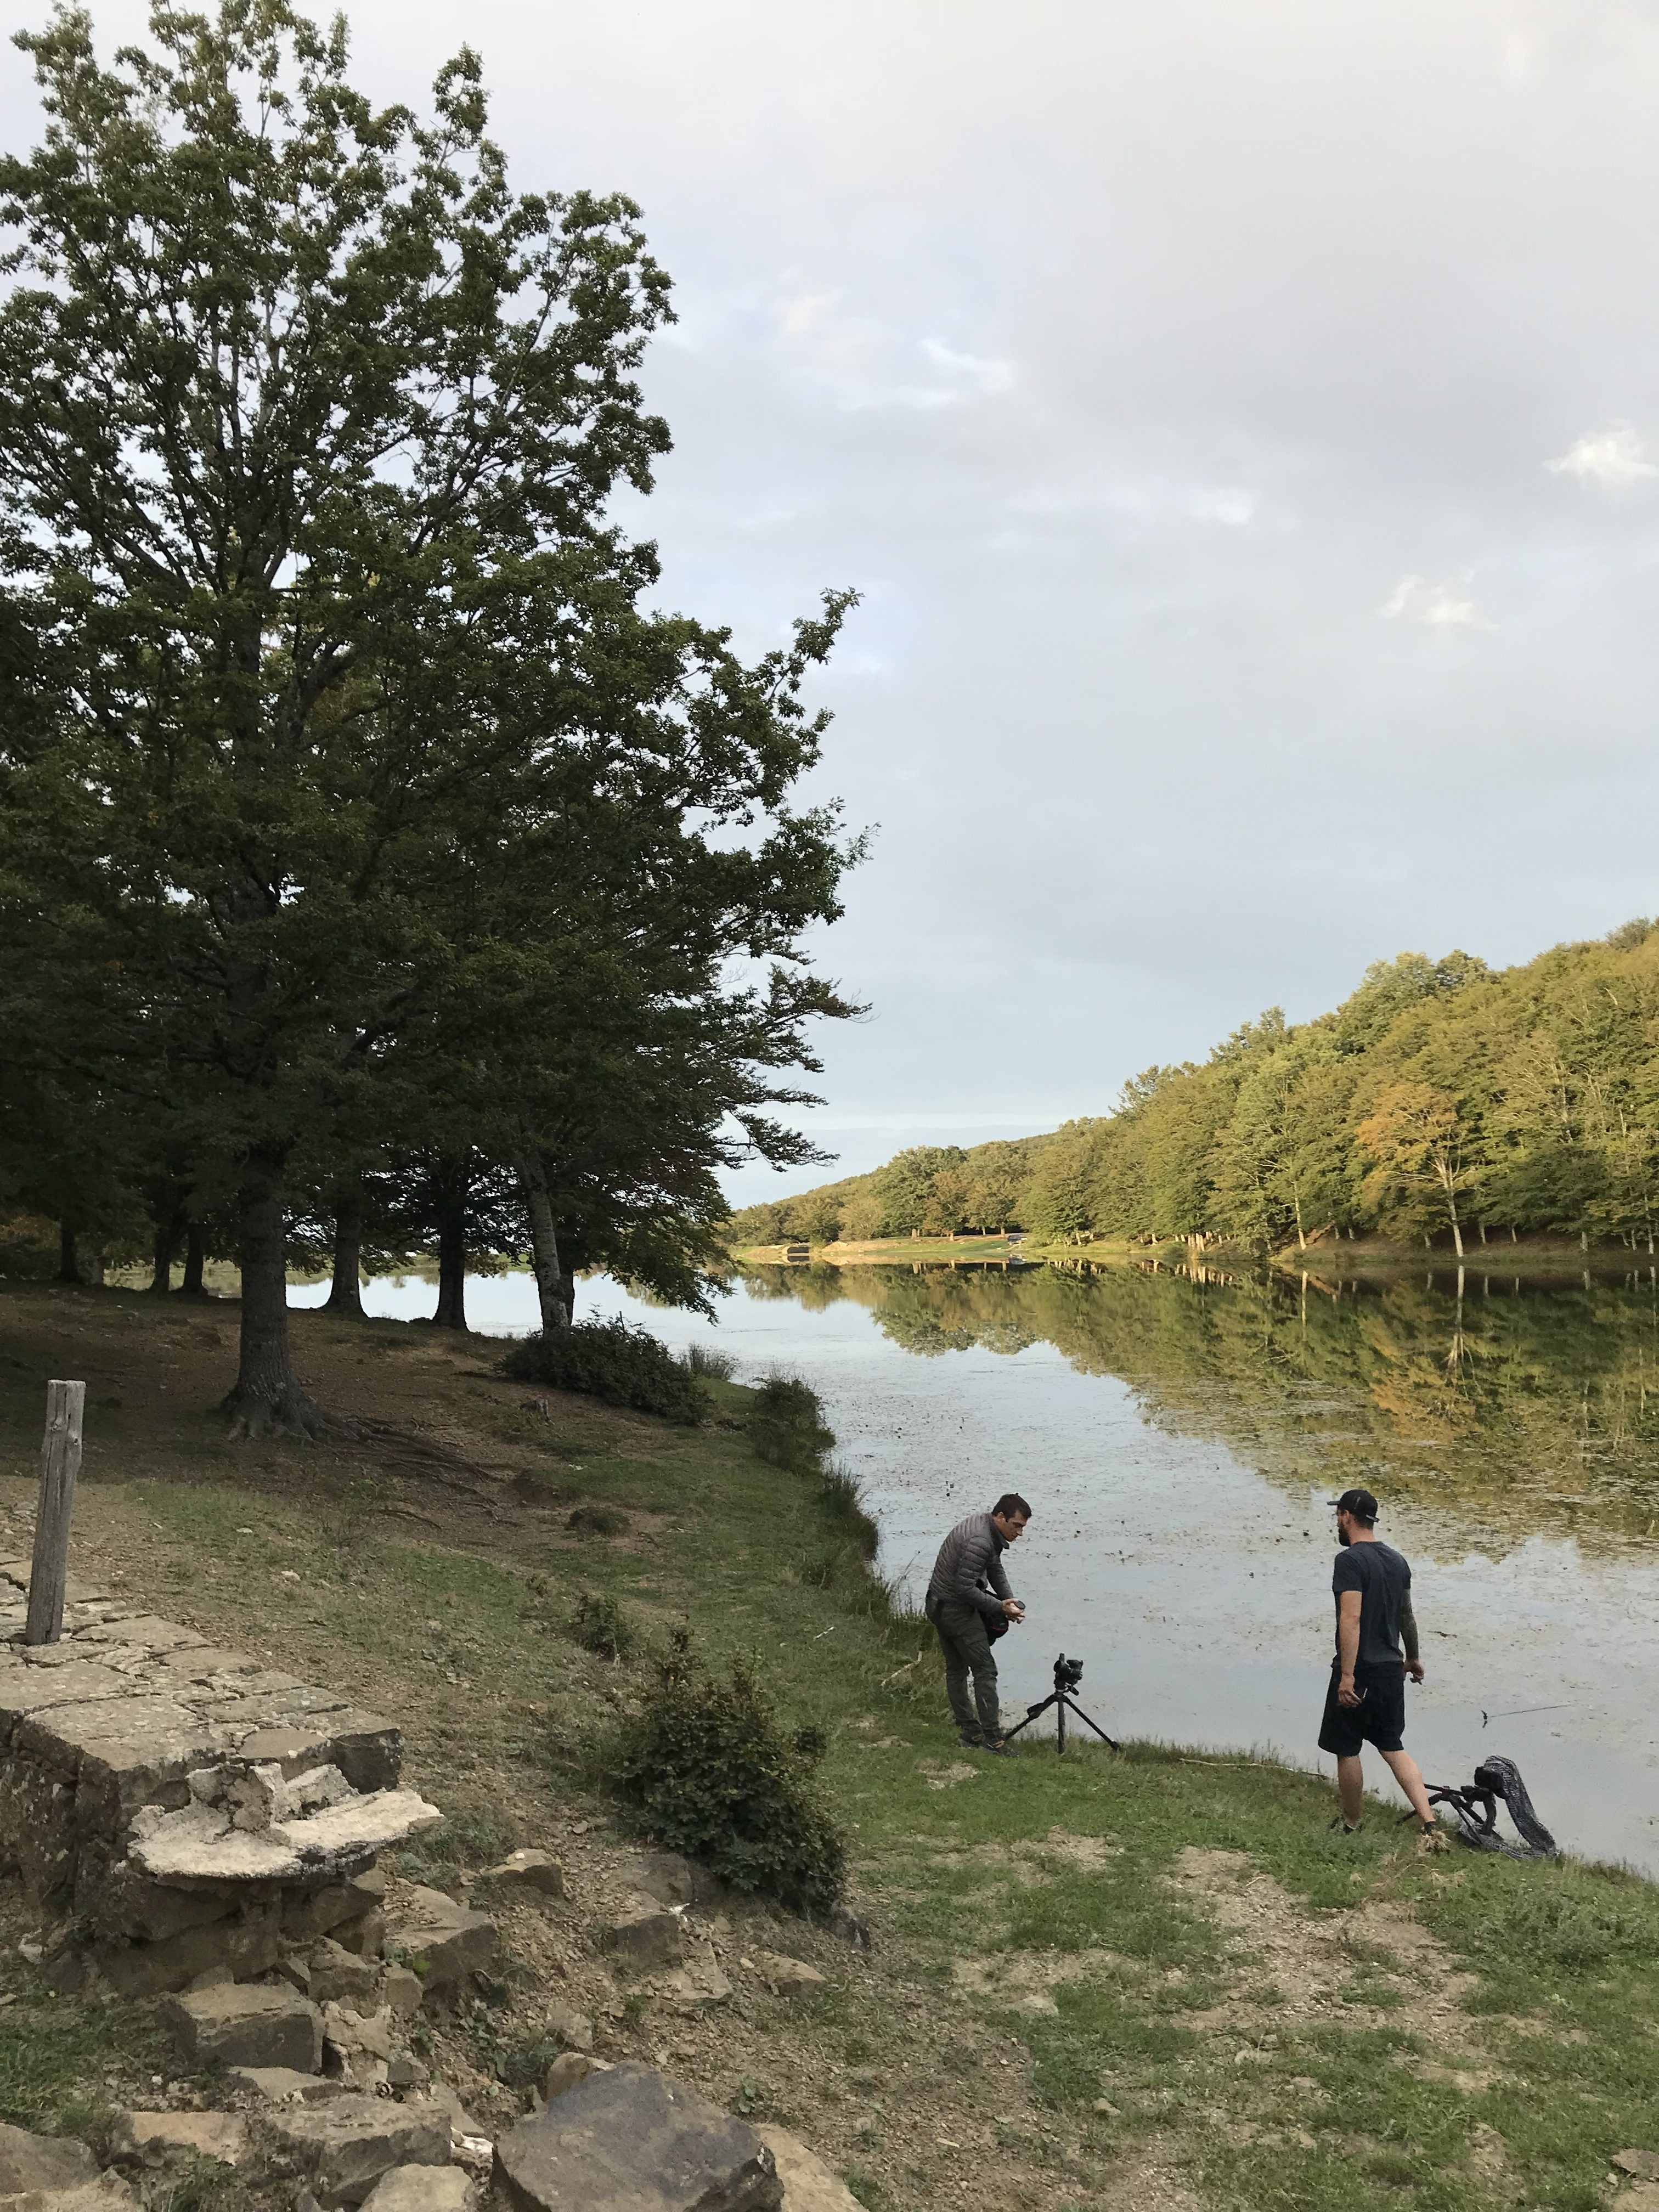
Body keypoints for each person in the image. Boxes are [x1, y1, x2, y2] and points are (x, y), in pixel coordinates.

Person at [1319, 1487, 1437, 1836]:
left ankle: (1351, 1824)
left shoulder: (1350, 1562)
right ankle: (1430, 1823)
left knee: (1347, 1748)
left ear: (1346, 1516)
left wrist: (1347, 1676)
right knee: (1393, 1746)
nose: (1336, 1523)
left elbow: (1351, 1620)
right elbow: (1407, 1615)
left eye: (1337, 1516)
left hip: (1361, 1671)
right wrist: (1413, 1657)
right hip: (1391, 1670)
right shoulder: (1397, 1560)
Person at [925, 1493, 1030, 1751]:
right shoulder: (981, 1541)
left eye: (1023, 1528)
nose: (1020, 1533)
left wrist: (1009, 1600)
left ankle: (969, 1732)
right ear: (1001, 1517)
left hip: (936, 1603)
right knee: (985, 1671)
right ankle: (993, 1739)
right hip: (955, 1610)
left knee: (957, 1670)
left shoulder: (984, 1525)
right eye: (1017, 1526)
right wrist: (999, 1608)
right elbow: (965, 1589)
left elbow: (994, 1568)